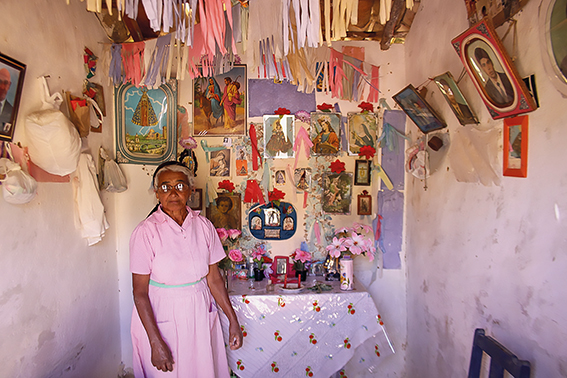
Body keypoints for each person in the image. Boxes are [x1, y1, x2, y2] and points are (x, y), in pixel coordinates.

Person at [129, 161, 243, 377]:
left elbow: (215, 280)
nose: (173, 192)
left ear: (190, 191)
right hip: (162, 313)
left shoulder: (204, 226)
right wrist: (155, 341)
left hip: (199, 310)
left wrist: (233, 320)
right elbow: (140, 293)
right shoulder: (145, 232)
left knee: (201, 369)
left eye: (180, 186)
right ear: (157, 193)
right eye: (165, 186)